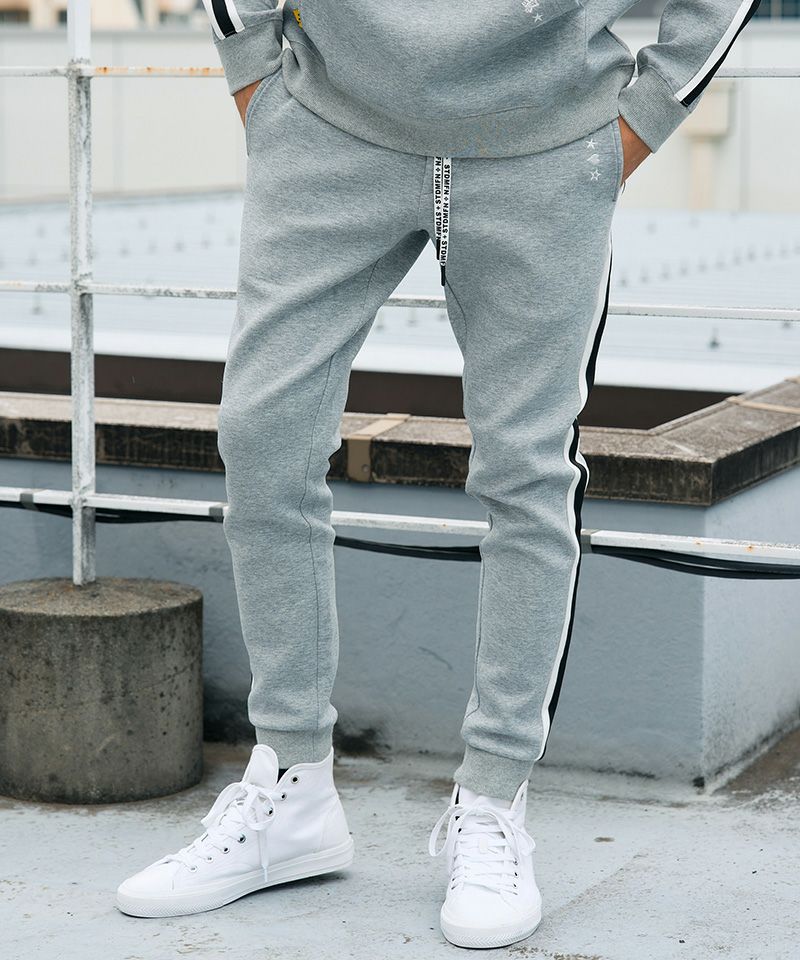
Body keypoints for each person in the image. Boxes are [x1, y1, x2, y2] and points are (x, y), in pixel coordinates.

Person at [116, 0, 761, 948]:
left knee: (526, 471)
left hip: (546, 149)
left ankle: (493, 798)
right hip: (328, 126)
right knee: (263, 438)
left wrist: (641, 120)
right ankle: (290, 784)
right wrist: (253, 71)